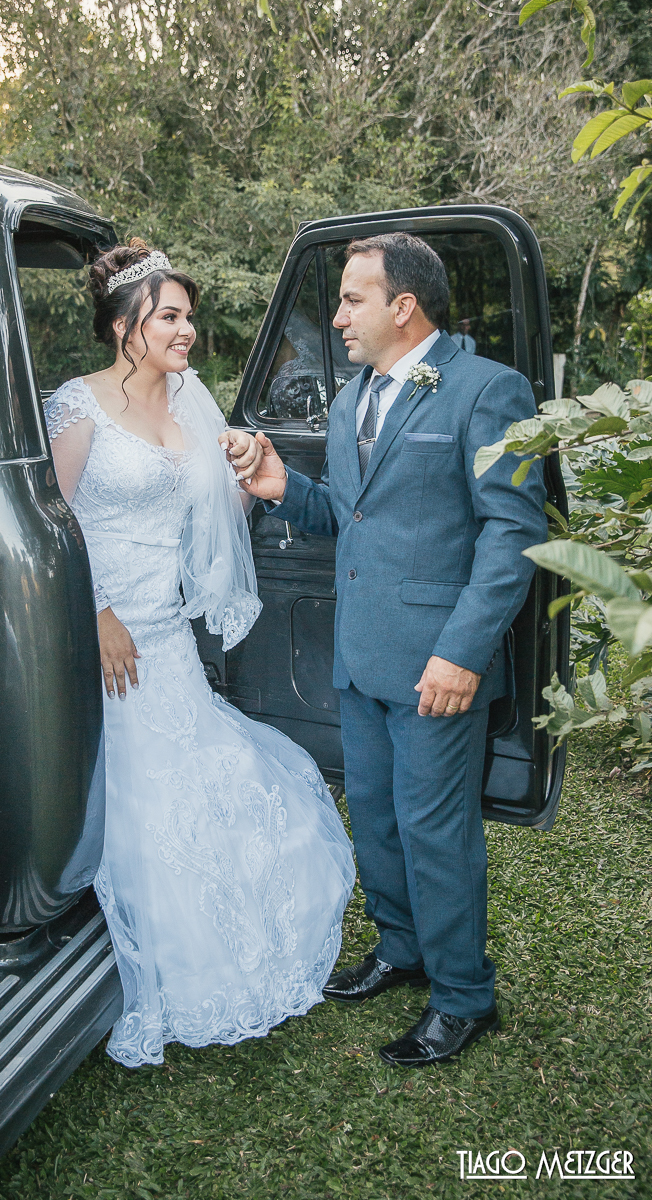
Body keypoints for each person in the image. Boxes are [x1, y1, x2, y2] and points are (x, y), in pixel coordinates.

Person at [45, 239, 355, 1068]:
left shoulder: (190, 399)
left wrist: (247, 459)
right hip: (106, 628)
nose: (188, 330)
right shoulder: (76, 407)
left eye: (188, 315)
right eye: (171, 316)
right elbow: (49, 524)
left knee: (206, 774)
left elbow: (217, 499)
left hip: (167, 633)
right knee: (143, 793)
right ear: (124, 327)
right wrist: (95, 611)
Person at [243, 233, 547, 1068]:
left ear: (402, 305)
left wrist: (463, 653)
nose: (337, 316)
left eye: (351, 299)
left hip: (438, 668)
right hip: (361, 656)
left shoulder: (489, 389)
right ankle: (401, 948)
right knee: (374, 816)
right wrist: (282, 488)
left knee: (434, 829)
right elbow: (354, 516)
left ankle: (461, 996)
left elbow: (512, 534)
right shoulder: (350, 404)